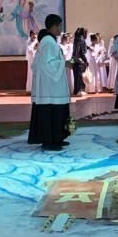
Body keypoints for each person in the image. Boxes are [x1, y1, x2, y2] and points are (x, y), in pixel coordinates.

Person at [28, 14, 73, 151]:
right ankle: (49, 141)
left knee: (57, 111)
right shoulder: (48, 41)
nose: (60, 29)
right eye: (59, 25)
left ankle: (56, 138)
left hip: (53, 85)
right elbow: (45, 64)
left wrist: (62, 63)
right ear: (53, 26)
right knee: (52, 112)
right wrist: (64, 63)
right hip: (50, 87)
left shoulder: (50, 41)